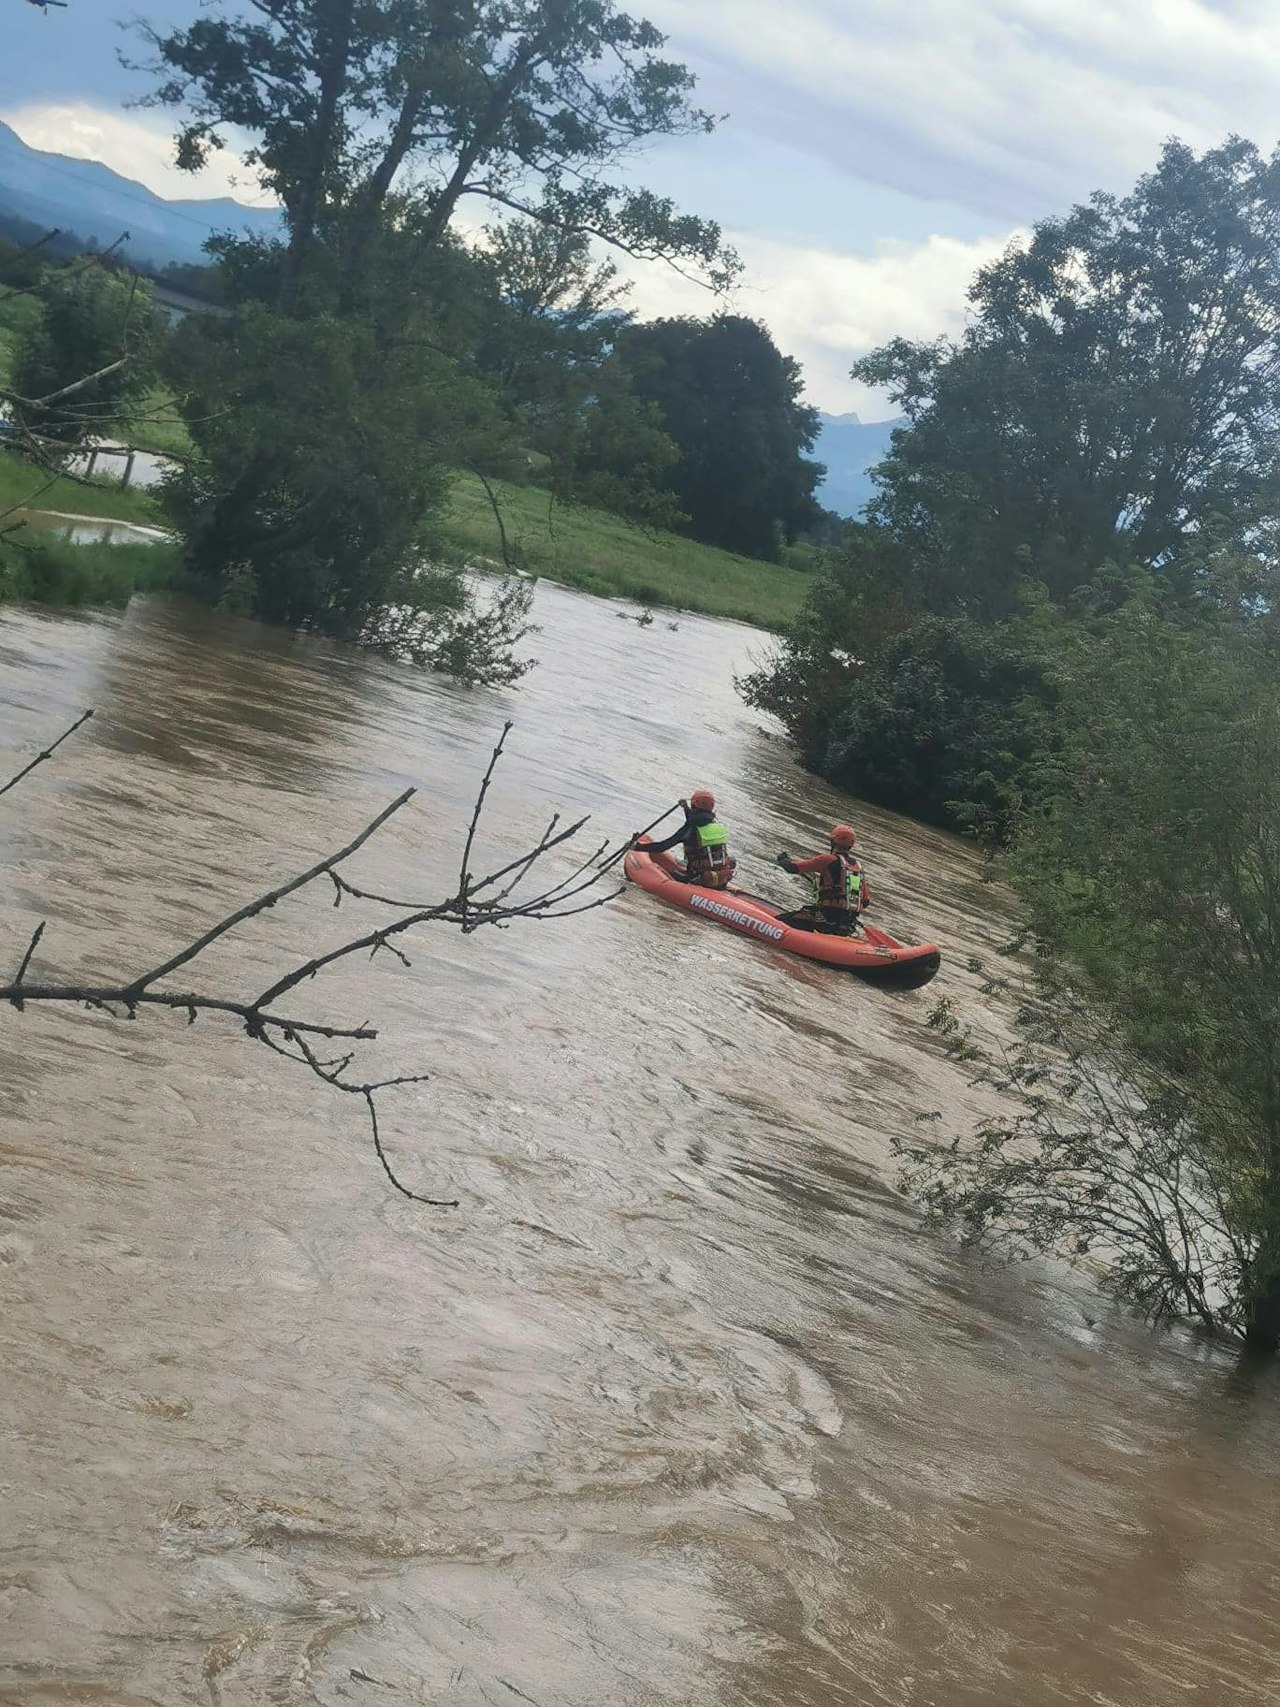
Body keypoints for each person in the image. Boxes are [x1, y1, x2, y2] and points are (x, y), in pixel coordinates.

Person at [775, 824, 870, 933]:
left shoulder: (827, 859)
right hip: (848, 924)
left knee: (778, 921)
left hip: (823, 920)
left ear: (833, 841)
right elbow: (865, 901)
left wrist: (783, 859)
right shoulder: (858, 867)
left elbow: (792, 867)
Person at [634, 789, 736, 889]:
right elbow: (698, 822)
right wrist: (685, 808)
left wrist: (636, 847)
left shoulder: (690, 829)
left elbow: (662, 847)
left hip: (699, 879)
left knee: (671, 873)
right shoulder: (716, 826)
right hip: (720, 879)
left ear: (694, 805)